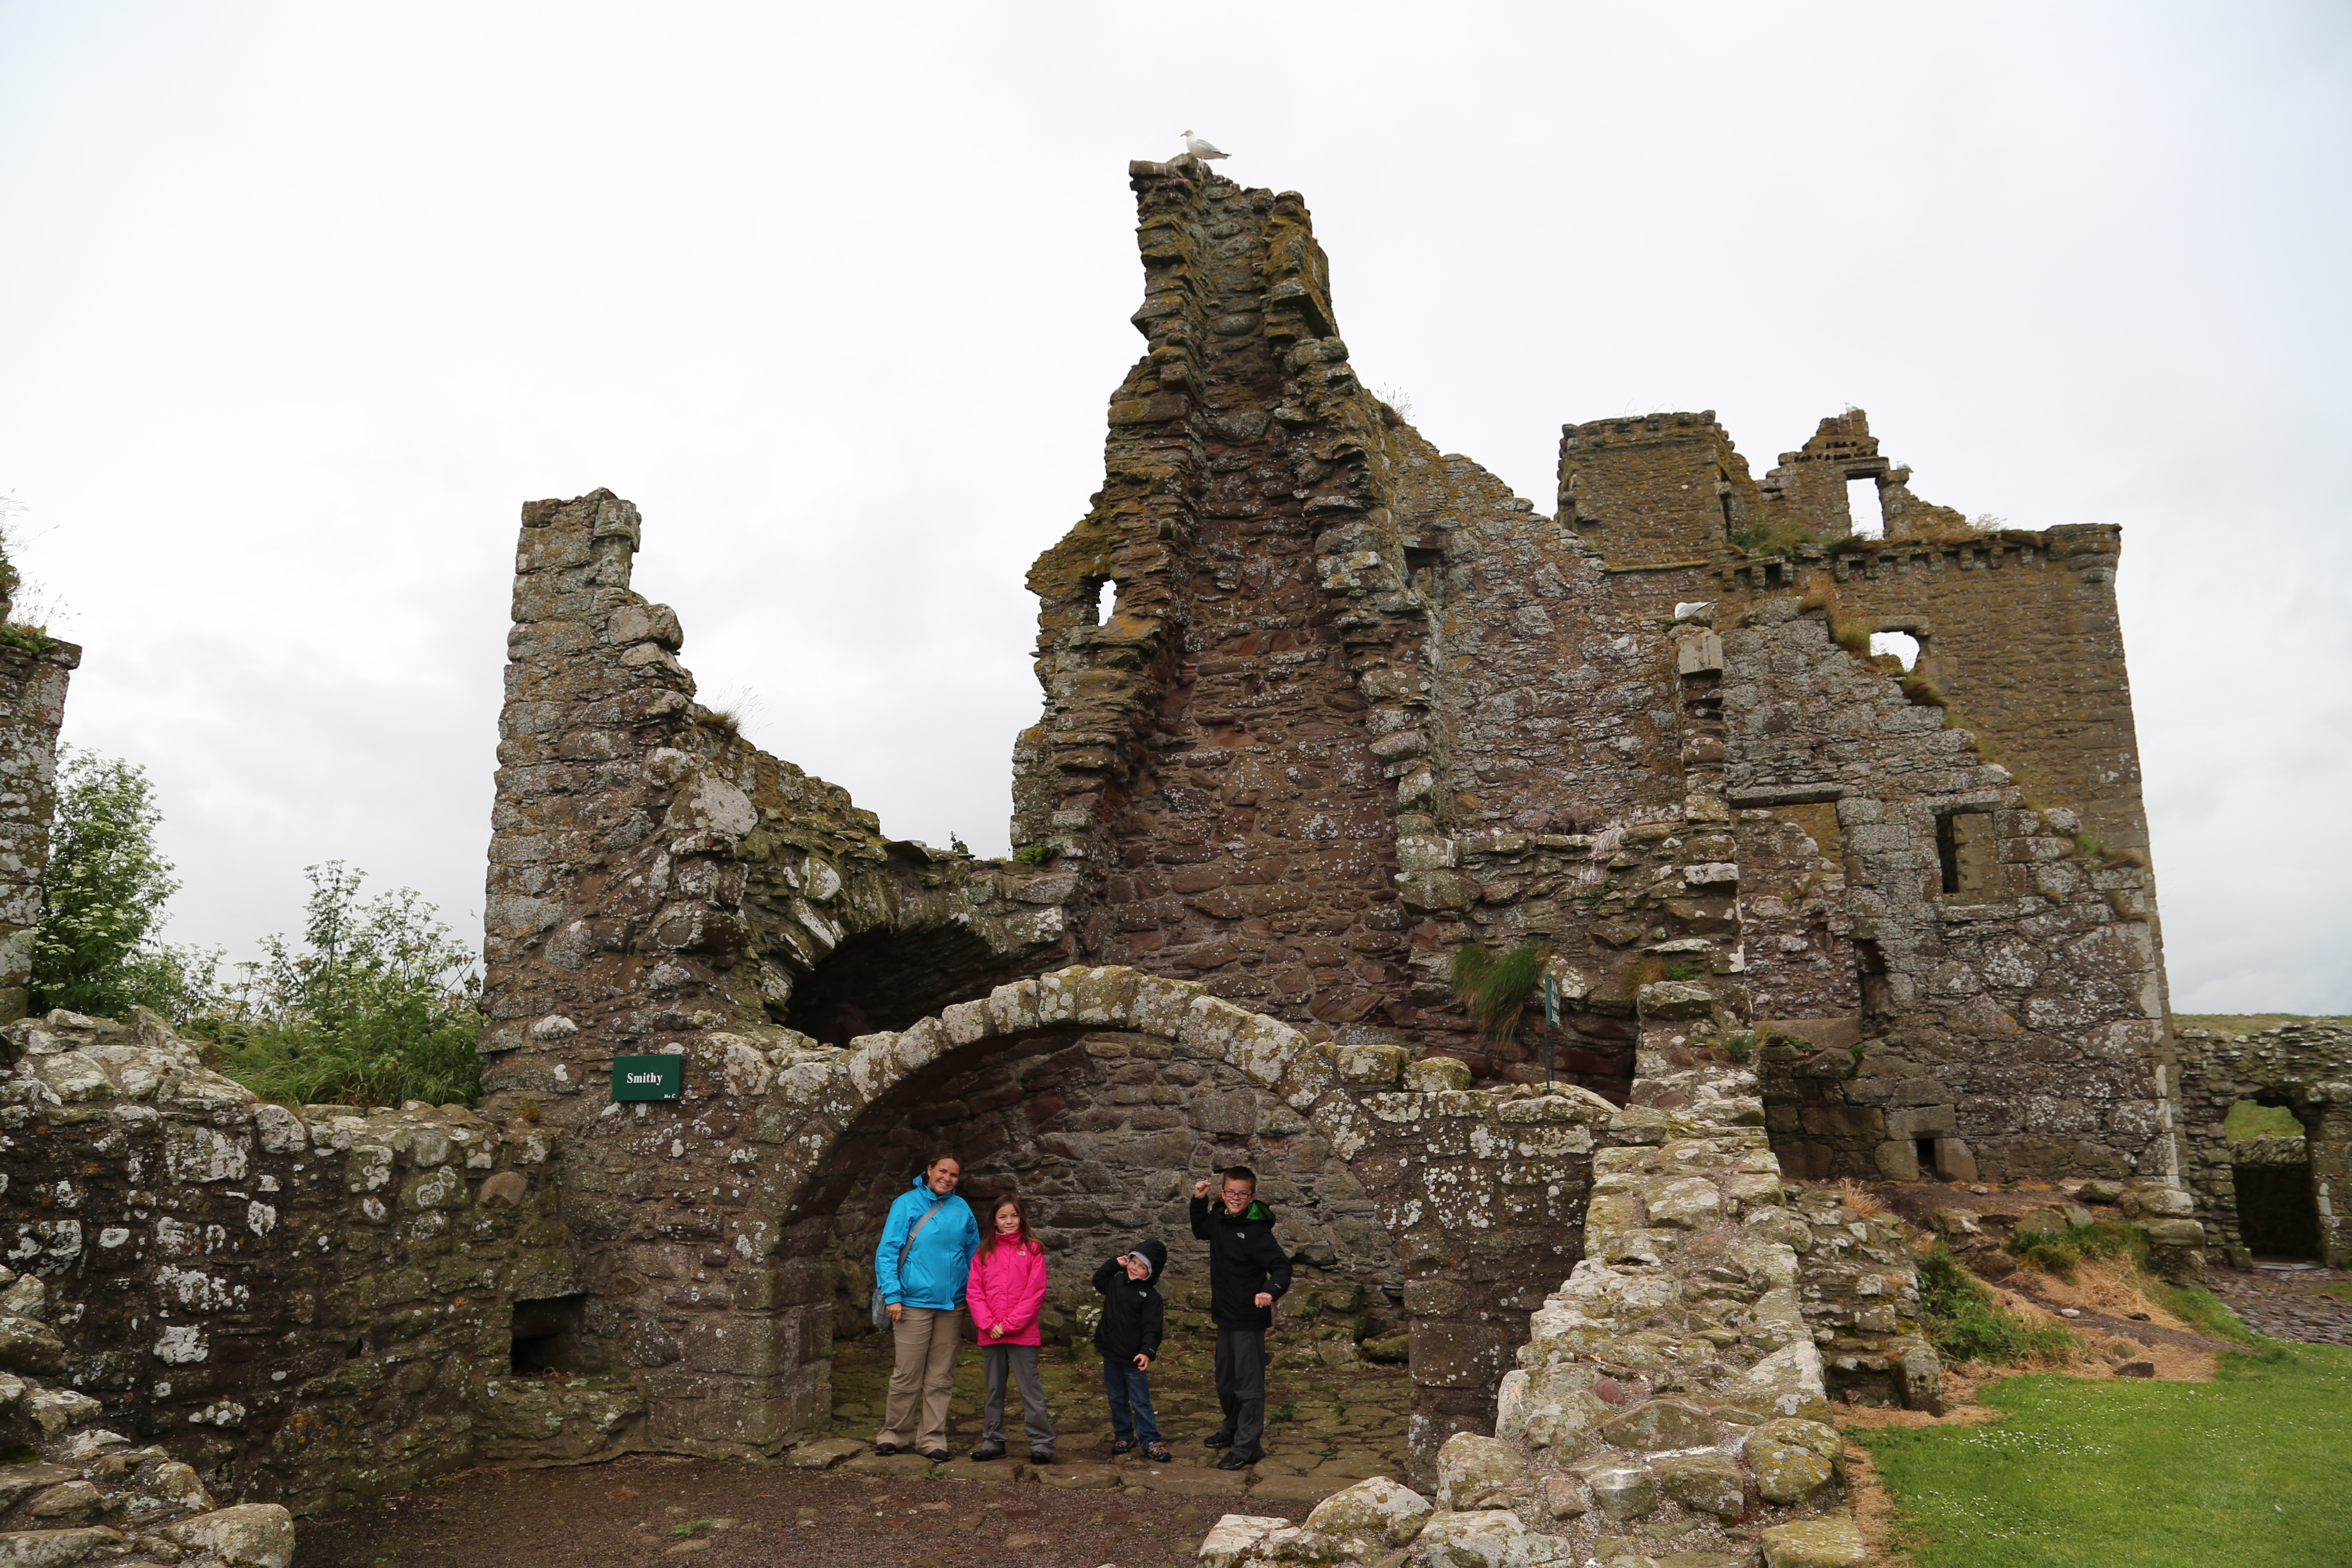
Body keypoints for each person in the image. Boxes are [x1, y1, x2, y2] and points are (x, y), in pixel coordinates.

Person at [872, 1152, 980, 1462]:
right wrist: (892, 1295)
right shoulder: (906, 1203)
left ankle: (932, 1438)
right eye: (943, 1171)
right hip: (912, 1303)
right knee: (907, 1373)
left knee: (941, 1376)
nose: (948, 1178)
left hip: (952, 1305)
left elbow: (974, 1255)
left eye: (955, 1175)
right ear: (929, 1171)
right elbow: (888, 1251)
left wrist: (972, 1294)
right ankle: (894, 1434)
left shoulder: (962, 1209)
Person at [1189, 1165, 1292, 1470]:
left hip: (1248, 1317)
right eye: (1231, 1192)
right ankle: (1232, 1429)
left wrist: (1270, 1291)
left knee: (1248, 1385)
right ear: (1223, 1193)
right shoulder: (1219, 1218)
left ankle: (1248, 1447)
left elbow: (1282, 1266)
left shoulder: (1257, 1231)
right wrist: (1198, 1200)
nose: (1236, 1198)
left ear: (1252, 1197)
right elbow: (1200, 1230)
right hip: (1225, 1315)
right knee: (1225, 1382)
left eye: (1242, 1194)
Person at [965, 1195, 1055, 1464]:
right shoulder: (983, 1252)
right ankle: (993, 1441)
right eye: (1003, 1217)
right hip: (990, 1332)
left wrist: (1010, 1325)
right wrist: (989, 1324)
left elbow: (1035, 1292)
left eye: (1014, 1216)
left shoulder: (1033, 1250)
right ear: (994, 1220)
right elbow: (974, 1292)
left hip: (1022, 1333)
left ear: (1022, 1218)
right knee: (994, 1390)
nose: (1009, 1222)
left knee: (1031, 1390)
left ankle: (1042, 1443)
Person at [1090, 1239, 1171, 1464]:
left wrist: (1148, 1352)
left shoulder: (1151, 1298)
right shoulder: (1115, 1283)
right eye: (1133, 1262)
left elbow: (1153, 1329)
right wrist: (1113, 1264)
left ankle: (1151, 1440)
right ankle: (1124, 1436)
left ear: (1150, 1273)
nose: (1135, 1268)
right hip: (1112, 1355)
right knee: (1117, 1398)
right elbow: (1098, 1279)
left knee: (1140, 1401)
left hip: (1134, 1359)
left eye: (1142, 1267)